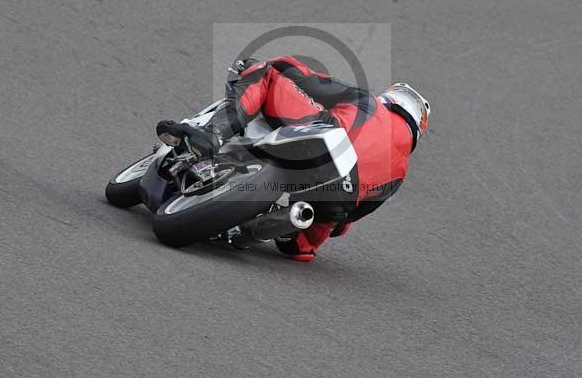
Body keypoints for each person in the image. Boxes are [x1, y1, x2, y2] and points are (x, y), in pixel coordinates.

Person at [156, 56, 429, 262]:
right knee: (301, 248)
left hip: (323, 142)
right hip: (335, 200)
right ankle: (275, 230)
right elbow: (347, 221)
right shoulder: (399, 172)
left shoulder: (370, 103)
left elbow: (309, 80)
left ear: (392, 100)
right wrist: (328, 224)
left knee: (268, 74)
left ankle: (210, 135)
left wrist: (279, 64)